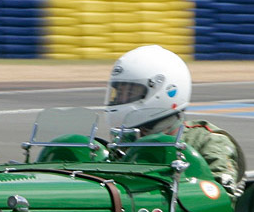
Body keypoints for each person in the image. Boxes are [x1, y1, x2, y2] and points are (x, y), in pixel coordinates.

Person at [105, 44, 246, 197]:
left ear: (166, 91)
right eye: (119, 93)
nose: (122, 100)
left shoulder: (210, 142)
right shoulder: (125, 142)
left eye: (130, 92)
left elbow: (220, 203)